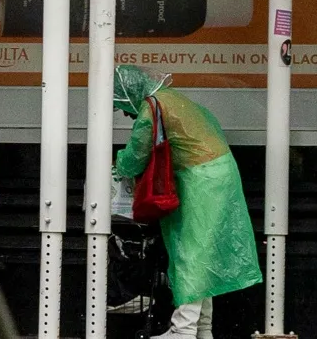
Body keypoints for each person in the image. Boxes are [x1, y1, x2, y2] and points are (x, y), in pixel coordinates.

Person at [111, 66, 260, 339]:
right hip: (217, 176)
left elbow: (136, 155)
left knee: (191, 253)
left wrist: (116, 165)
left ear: (129, 93)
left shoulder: (150, 108)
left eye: (121, 104)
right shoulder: (177, 99)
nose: (124, 113)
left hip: (200, 180)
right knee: (203, 255)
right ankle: (201, 329)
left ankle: (183, 330)